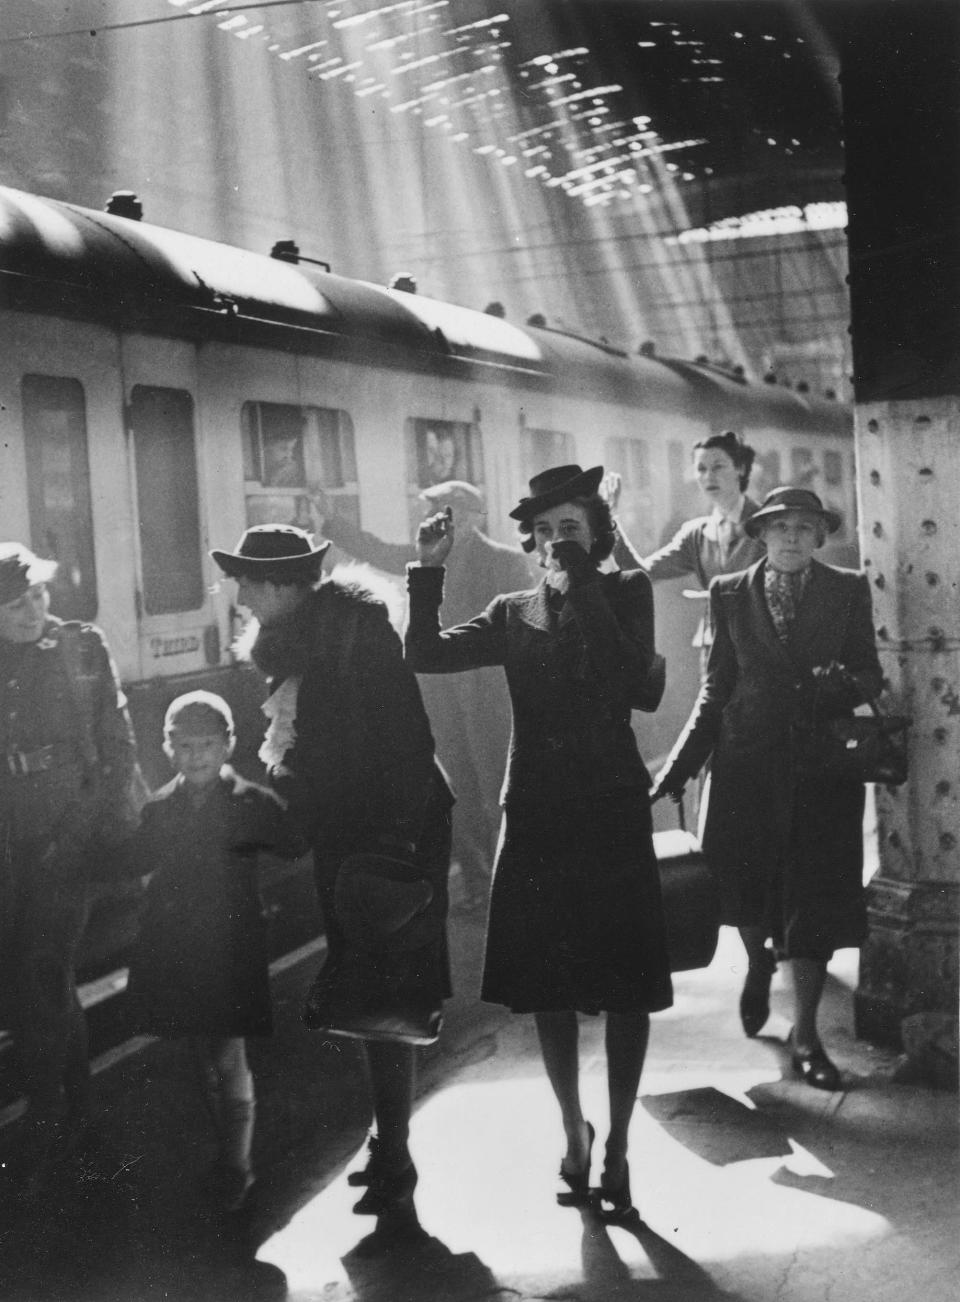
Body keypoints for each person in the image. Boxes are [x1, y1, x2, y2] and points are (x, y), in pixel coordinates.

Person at [405, 464, 672, 1221]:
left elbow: (631, 682)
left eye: (574, 530)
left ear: (599, 536)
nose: (559, 543)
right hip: (539, 814)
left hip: (611, 811)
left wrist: (586, 579)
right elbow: (424, 655)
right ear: (530, 541)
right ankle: (573, 1133)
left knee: (626, 984)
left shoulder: (626, 593)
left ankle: (619, 1140)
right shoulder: (511, 611)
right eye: (548, 532)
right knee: (548, 985)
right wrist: (427, 573)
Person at [211, 524, 453, 1234]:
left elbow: (410, 744)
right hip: (351, 831)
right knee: (367, 996)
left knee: (385, 996)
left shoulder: (354, 633)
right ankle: (390, 1145)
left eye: (251, 582)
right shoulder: (299, 643)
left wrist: (389, 854)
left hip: (389, 832)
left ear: (286, 585)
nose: (241, 594)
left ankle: (398, 1157)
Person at [650, 488, 884, 1089]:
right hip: (745, 765)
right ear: (762, 533)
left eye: (805, 529)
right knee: (743, 887)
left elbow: (869, 673)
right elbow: (715, 687)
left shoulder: (847, 588)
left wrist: (840, 684)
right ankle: (758, 964)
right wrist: (678, 768)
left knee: (814, 898)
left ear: (819, 538)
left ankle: (806, 1034)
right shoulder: (729, 593)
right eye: (781, 527)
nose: (792, 538)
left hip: (819, 770)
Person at [123, 691, 307, 1210]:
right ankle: (218, 1150)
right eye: (184, 746)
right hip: (174, 945)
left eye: (207, 745)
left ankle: (236, 1164)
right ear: (167, 748)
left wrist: (292, 783)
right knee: (191, 1052)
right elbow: (131, 858)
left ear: (228, 745)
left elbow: (293, 843)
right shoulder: (158, 809)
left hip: (230, 951)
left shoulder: (251, 802)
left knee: (227, 1053)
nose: (196, 755)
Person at [321, 481, 533, 909]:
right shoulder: (424, 555)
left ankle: (514, 874)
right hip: (438, 694)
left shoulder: (508, 563)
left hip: (487, 693)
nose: (436, 518)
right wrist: (328, 522)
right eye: (431, 510)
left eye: (446, 509)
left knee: (496, 784)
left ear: (474, 517)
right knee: (455, 785)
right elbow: (375, 550)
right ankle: (477, 880)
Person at [0, 542, 138, 1173]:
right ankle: (74, 1106)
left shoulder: (82, 647)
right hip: (7, 844)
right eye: (12, 602)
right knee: (36, 980)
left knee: (39, 968)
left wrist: (85, 836)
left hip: (65, 838)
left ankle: (51, 1118)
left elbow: (116, 749)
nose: (30, 611)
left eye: (36, 595)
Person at [610, 430, 765, 665]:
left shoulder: (768, 524)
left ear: (741, 469)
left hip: (764, 648)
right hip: (714, 649)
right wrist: (611, 521)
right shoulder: (695, 534)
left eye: (718, 467)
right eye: (701, 469)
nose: (708, 476)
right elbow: (642, 572)